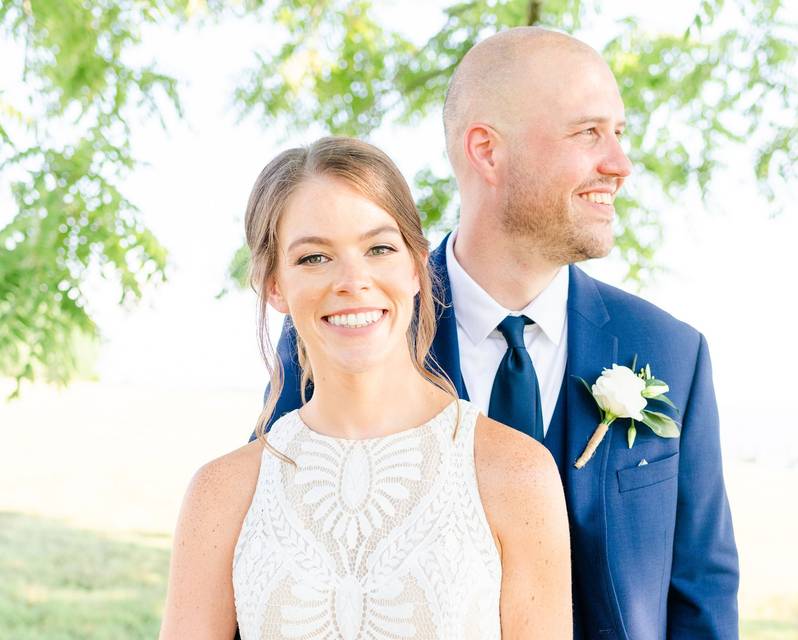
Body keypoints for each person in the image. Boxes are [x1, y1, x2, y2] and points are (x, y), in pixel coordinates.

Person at [269, 27, 739, 639]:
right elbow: (275, 550)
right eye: (588, 132)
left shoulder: (671, 352)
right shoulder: (345, 330)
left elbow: (701, 594)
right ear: (487, 151)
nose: (619, 165)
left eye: (619, 134)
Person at [159, 137, 572, 639]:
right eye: (314, 258)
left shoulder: (517, 475)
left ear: (417, 265)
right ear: (274, 285)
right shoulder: (221, 495)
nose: (353, 280)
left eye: (378, 248)